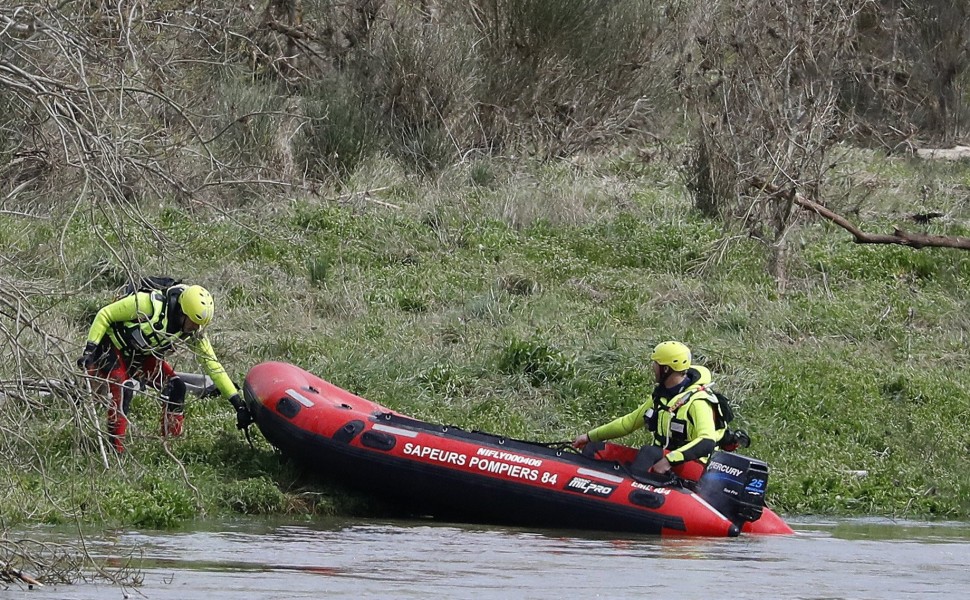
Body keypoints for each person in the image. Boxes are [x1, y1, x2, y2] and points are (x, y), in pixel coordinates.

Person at [77, 282, 253, 452]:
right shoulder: (148, 304)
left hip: (140, 356)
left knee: (177, 387)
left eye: (199, 325)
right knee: (123, 389)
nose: (195, 328)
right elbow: (104, 314)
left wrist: (237, 404)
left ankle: (170, 445)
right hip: (109, 347)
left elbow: (213, 366)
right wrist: (89, 350)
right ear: (182, 312)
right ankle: (116, 450)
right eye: (193, 322)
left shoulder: (193, 330)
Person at [572, 341, 724, 477]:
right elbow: (628, 423)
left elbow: (707, 441)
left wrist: (669, 460)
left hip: (694, 466)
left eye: (656, 364)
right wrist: (590, 436)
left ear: (666, 369)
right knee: (595, 449)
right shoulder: (661, 396)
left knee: (649, 452)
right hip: (660, 457)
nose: (653, 368)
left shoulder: (698, 401)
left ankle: (630, 496)